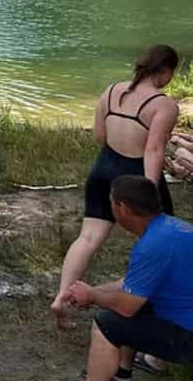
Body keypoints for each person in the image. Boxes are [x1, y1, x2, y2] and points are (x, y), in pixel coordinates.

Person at [51, 45, 181, 318]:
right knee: (163, 240)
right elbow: (154, 150)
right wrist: (150, 188)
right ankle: (153, 304)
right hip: (136, 175)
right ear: (166, 72)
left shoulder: (110, 91)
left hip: (104, 168)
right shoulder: (164, 105)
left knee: (87, 238)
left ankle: (62, 297)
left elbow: (100, 136)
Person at [65, 175, 193, 380]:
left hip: (187, 337)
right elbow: (133, 284)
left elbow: (126, 306)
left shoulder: (152, 245)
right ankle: (121, 373)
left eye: (111, 203)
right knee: (136, 303)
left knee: (107, 324)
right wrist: (92, 291)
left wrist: (92, 296)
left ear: (123, 208)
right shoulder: (171, 227)